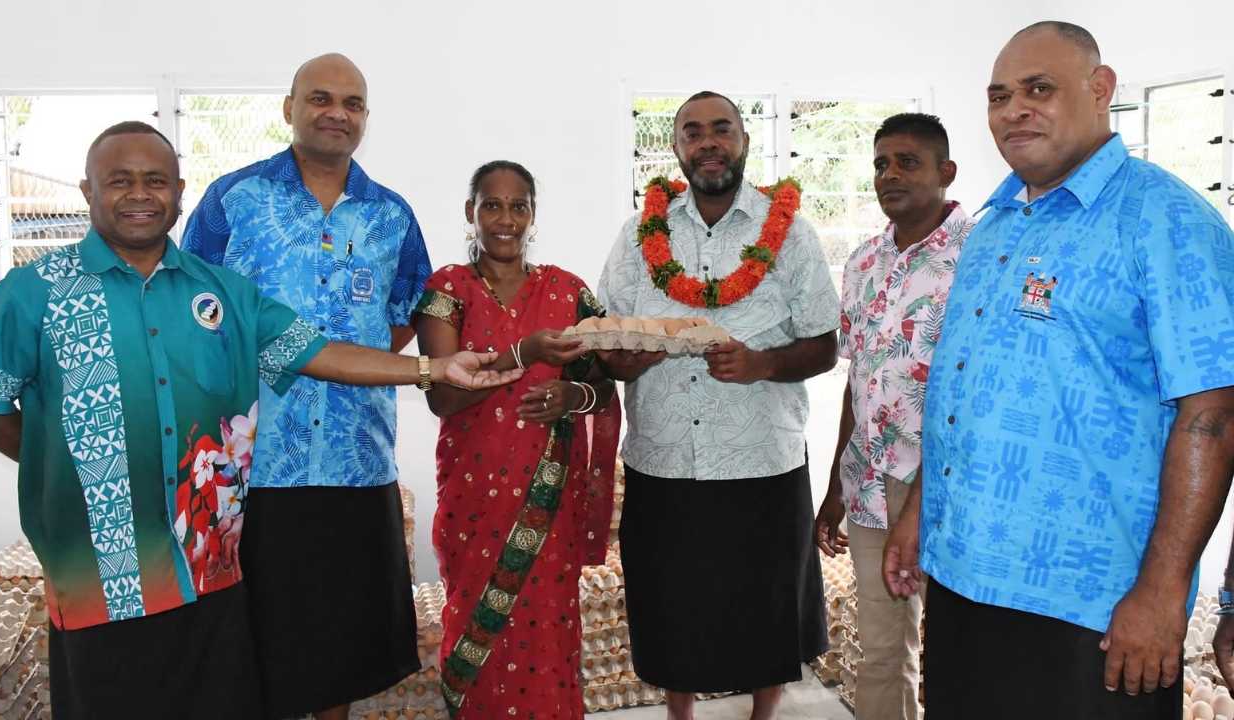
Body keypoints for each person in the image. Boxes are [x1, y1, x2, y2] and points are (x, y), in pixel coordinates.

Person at [0, 122, 519, 720]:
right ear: (87, 190)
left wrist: (434, 369)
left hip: (208, 569)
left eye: (156, 180)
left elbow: (320, 353)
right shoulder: (33, 292)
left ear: (179, 193)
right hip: (103, 573)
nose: (140, 193)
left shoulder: (223, 292)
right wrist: (69, 467)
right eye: (120, 180)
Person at [882, 21, 1234, 719]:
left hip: (1092, 602)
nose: (1014, 110)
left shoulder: (1165, 219)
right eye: (998, 96)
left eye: (1038, 89)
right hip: (963, 577)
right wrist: (920, 513)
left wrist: (1162, 593)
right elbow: (963, 386)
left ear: (1100, 89)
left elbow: (1213, 413)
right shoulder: (993, 227)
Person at [180, 53, 431, 720]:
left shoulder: (391, 216)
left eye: (352, 103)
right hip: (252, 460)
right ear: (290, 108)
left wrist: (350, 366)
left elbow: (406, 311)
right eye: (320, 98)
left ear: (366, 118)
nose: (336, 113)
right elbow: (189, 308)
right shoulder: (233, 200)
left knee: (340, 632)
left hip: (355, 456)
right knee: (254, 625)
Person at [596, 91, 840, 720]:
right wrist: (629, 360)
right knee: (670, 604)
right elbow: (607, 341)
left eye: (721, 129)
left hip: (761, 458)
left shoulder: (791, 233)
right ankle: (679, 715)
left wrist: (763, 364)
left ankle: (763, 716)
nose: (708, 142)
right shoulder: (638, 235)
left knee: (765, 607)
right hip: (664, 459)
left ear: (744, 141)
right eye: (693, 132)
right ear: (676, 148)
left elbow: (824, 345)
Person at [412, 160, 621, 719]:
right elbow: (441, 396)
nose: (505, 219)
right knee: (476, 628)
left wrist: (572, 396)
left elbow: (605, 383)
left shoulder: (568, 291)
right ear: (471, 212)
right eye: (492, 205)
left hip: (547, 507)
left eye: (518, 206)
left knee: (546, 634)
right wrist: (522, 354)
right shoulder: (448, 289)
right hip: (474, 499)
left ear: (533, 215)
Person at [815, 112, 973, 720]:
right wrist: (835, 488)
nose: (890, 175)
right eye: (881, 164)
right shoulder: (862, 262)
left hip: (952, 484)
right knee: (881, 653)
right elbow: (859, 383)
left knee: (961, 655)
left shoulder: (980, 256)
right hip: (869, 483)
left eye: (908, 162)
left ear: (945, 171)